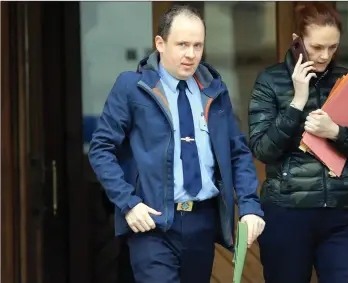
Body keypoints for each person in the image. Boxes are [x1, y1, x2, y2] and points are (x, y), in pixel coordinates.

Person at [88, 5, 265, 283]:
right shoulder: (132, 87)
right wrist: (128, 203)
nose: (191, 54)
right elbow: (101, 149)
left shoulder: (214, 90)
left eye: (198, 45)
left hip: (203, 222)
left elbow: (238, 153)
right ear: (160, 43)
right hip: (153, 224)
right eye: (182, 44)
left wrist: (250, 206)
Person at [248, 3, 348, 283]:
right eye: (317, 47)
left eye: (332, 48)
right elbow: (263, 149)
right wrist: (296, 104)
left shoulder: (345, 81)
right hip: (286, 212)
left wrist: (335, 132)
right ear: (297, 41)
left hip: (340, 213)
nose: (325, 56)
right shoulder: (270, 81)